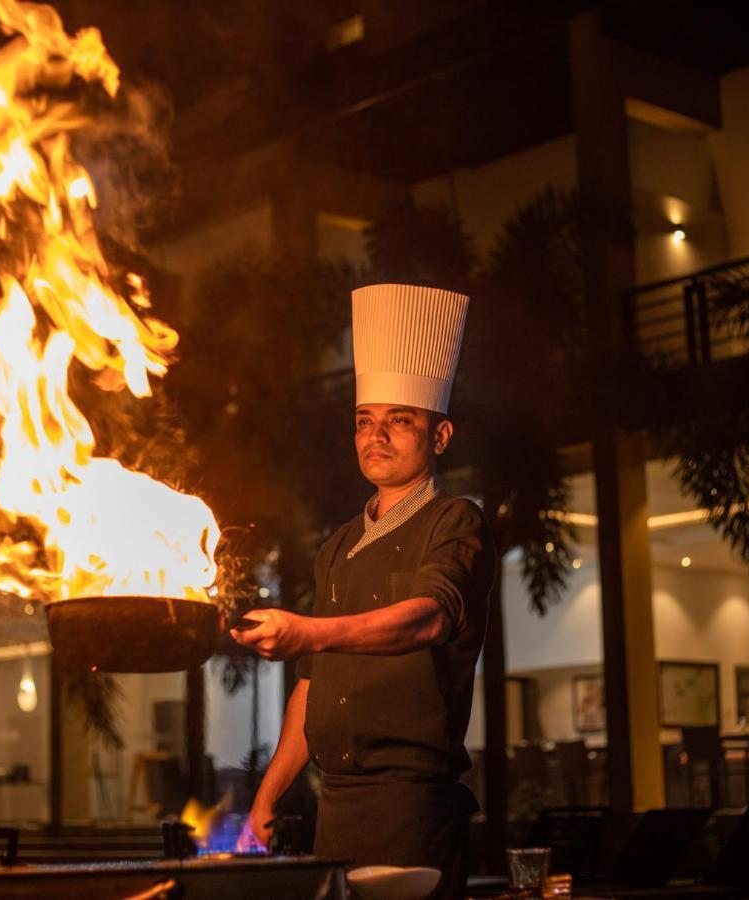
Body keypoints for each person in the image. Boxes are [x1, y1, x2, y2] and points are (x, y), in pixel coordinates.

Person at [232, 283, 496, 899]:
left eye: (399, 422)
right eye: (364, 422)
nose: (376, 436)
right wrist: (266, 802)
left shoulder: (457, 521)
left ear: (441, 435)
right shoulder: (338, 545)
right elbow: (310, 685)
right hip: (337, 810)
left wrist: (309, 630)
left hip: (413, 808)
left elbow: (427, 620)